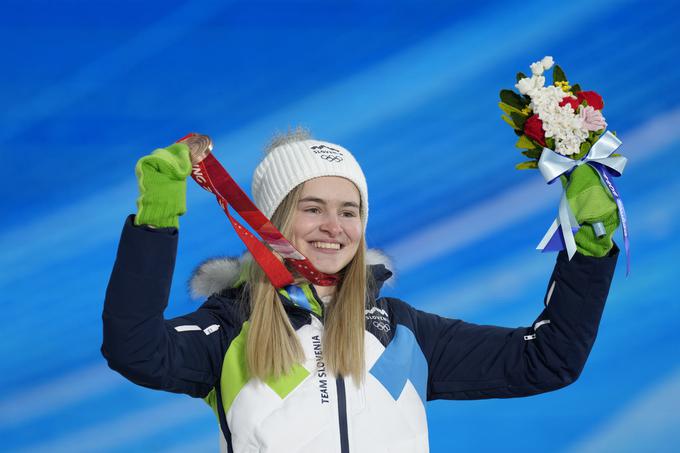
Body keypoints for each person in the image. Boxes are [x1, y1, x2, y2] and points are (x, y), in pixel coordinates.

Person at [102, 128, 619, 453]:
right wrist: (156, 224)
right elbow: (135, 349)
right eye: (312, 208)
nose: (334, 226)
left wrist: (589, 252)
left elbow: (546, 360)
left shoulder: (401, 332)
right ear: (272, 221)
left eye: (349, 211)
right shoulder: (232, 328)